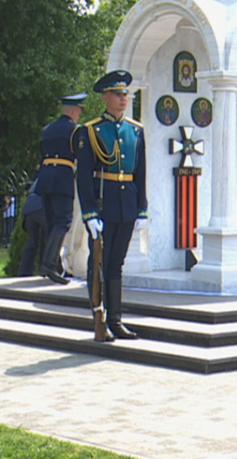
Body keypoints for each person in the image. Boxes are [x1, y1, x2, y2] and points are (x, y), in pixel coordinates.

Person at [76, 70, 146, 341]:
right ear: (105, 97)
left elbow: (141, 172)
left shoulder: (135, 130)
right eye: (118, 94)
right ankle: (99, 316)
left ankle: (116, 319)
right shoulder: (92, 131)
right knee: (99, 263)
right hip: (104, 205)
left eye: (126, 94)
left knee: (116, 262)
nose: (123, 98)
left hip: (126, 203)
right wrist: (90, 213)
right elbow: (83, 177)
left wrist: (142, 208)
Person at [33, 93, 86, 284]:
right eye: (79, 110)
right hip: (62, 178)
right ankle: (49, 264)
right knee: (63, 220)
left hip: (46, 179)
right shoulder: (75, 130)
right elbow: (81, 155)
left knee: (52, 221)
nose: (79, 114)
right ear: (73, 110)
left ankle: (53, 265)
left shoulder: (47, 130)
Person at [18, 177, 51, 277]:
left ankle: (24, 272)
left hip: (29, 210)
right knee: (49, 239)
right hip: (42, 208)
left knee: (32, 241)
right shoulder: (53, 176)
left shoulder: (39, 178)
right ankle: (45, 269)